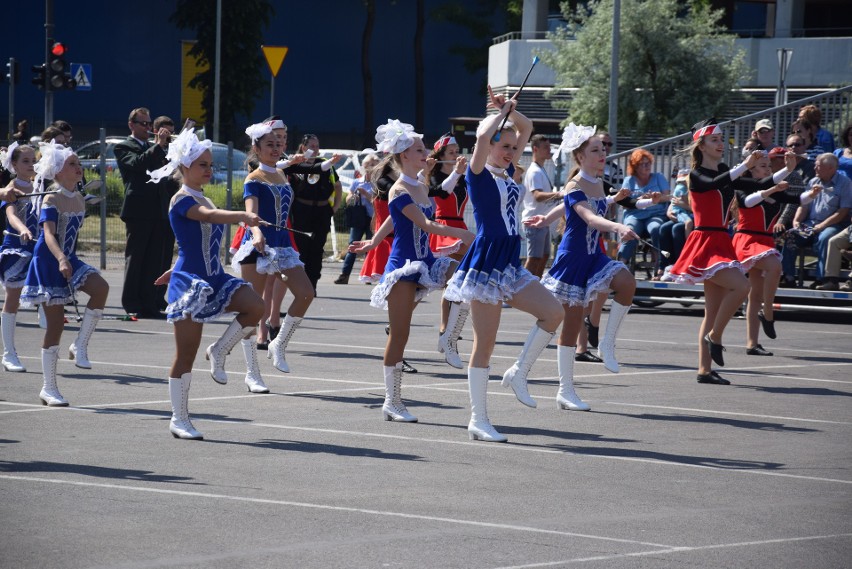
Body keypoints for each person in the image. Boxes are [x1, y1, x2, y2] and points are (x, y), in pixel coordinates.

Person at [443, 87, 563, 443]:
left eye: (514, 147)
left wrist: (508, 111)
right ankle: (479, 419)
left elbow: (526, 129)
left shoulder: (510, 174)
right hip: (485, 263)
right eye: (505, 146)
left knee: (554, 313)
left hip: (510, 261)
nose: (512, 150)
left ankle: (519, 372)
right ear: (491, 147)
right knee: (485, 344)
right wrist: (498, 117)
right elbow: (481, 136)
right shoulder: (478, 174)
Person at [350, 119, 474, 423]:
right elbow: (425, 224)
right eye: (420, 149)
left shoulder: (418, 182)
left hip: (427, 259)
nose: (426, 152)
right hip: (404, 266)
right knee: (400, 335)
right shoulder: (399, 188)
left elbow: (392, 220)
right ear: (404, 154)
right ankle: (392, 402)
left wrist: (373, 241)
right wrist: (465, 235)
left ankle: (447, 339)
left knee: (466, 279)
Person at [148, 128, 264, 439]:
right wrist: (242, 215)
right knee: (185, 354)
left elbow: (190, 243)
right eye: (202, 164)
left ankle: (219, 350)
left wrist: (172, 267)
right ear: (184, 167)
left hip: (215, 276)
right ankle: (179, 418)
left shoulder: (203, 196)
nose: (209, 170)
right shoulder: (182, 199)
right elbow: (207, 218)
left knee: (255, 306)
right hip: (191, 285)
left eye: (210, 165)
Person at [668, 118, 792, 385]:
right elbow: (716, 182)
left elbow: (754, 185)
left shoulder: (724, 168)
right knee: (742, 287)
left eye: (721, 139)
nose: (720, 144)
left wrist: (787, 171)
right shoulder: (696, 174)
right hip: (705, 241)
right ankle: (715, 337)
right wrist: (744, 166)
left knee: (711, 312)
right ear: (700, 145)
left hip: (722, 240)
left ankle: (704, 369)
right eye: (714, 140)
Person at [526, 124, 638, 411]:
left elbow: (575, 205)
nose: (603, 154)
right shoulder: (575, 184)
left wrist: (546, 219)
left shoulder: (597, 182)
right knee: (570, 326)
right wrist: (617, 225)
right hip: (574, 257)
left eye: (603, 149)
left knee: (626, 282)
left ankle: (605, 345)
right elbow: (586, 215)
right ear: (579, 155)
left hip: (593, 256)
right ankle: (565, 390)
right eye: (596, 150)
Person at [232, 121, 328, 376]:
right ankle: (252, 372)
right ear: (257, 148)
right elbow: (250, 212)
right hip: (258, 245)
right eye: (269, 145)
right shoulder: (254, 178)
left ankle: (279, 343)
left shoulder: (281, 173)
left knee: (306, 293)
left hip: (282, 244)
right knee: (254, 309)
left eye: (278, 144)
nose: (275, 149)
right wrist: (255, 232)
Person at [19, 141, 110, 406]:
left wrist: (67, 258)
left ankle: (80, 345)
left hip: (68, 258)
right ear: (58, 171)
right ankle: (49, 388)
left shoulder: (79, 198)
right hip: (48, 260)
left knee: (100, 288)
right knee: (56, 325)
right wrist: (60, 258)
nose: (78, 167)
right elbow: (47, 234)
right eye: (72, 164)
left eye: (79, 164)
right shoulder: (51, 197)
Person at [733, 151, 815, 356]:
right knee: (775, 267)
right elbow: (749, 202)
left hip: (765, 240)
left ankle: (752, 343)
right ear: (750, 172)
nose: (768, 170)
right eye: (763, 167)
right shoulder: (743, 188)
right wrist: (770, 191)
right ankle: (768, 312)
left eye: (769, 167)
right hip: (747, 240)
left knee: (755, 294)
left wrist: (812, 194)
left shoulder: (775, 191)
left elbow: (798, 198)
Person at [115, 107, 174, 318]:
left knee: (154, 260)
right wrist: (158, 146)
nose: (149, 128)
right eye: (144, 124)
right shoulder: (124, 147)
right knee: (137, 258)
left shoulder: (154, 147)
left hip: (158, 209)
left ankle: (150, 303)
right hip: (138, 210)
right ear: (131, 125)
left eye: (150, 124)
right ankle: (132, 302)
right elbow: (138, 164)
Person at [428, 133, 472, 369]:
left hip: (460, 227)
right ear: (441, 155)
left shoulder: (462, 177)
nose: (457, 155)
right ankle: (446, 333)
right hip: (441, 228)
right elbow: (443, 192)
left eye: (458, 151)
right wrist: (456, 172)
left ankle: (447, 331)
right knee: (429, 282)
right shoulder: (433, 177)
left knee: (458, 280)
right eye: (452, 152)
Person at [783, 153, 852, 287]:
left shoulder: (845, 184)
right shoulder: (813, 182)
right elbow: (804, 205)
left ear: (831, 168)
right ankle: (788, 276)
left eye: (818, 166)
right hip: (810, 224)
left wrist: (822, 226)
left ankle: (822, 279)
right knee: (791, 235)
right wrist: (796, 221)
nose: (815, 168)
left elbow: (843, 211)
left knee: (825, 238)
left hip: (834, 225)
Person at [287, 134, 342, 292]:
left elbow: (337, 186)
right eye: (311, 146)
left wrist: (334, 208)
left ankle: (312, 284)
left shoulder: (325, 164)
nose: (315, 149)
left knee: (317, 249)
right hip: (302, 210)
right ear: (303, 147)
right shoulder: (296, 164)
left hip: (322, 211)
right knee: (302, 248)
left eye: (317, 146)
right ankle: (302, 286)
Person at [0, 143, 37, 372]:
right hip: (16, 246)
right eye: (25, 161)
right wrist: (22, 228)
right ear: (14, 165)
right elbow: (11, 214)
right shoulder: (11, 188)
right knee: (12, 297)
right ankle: (8, 352)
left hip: (37, 247)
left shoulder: (40, 185)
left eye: (33, 160)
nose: (31, 164)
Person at [615, 149, 670, 269]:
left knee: (656, 228)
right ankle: (620, 265)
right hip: (635, 215)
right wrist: (640, 199)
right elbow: (624, 204)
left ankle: (659, 265)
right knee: (630, 230)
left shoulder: (658, 177)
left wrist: (654, 198)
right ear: (635, 166)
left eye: (648, 163)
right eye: (643, 164)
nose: (647, 166)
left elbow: (667, 197)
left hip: (655, 214)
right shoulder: (629, 180)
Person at [335, 153, 379, 285]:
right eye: (369, 164)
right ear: (363, 166)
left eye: (374, 164)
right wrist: (353, 195)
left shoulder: (379, 183)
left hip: (373, 218)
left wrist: (366, 194)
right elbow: (348, 199)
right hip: (358, 217)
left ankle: (368, 275)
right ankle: (344, 275)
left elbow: (378, 203)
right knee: (352, 245)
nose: (371, 167)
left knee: (370, 246)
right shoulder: (357, 182)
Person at [521, 134, 561, 278]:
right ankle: (523, 291)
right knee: (535, 258)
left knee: (543, 256)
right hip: (534, 221)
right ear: (535, 149)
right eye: (546, 147)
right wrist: (558, 194)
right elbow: (537, 196)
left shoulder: (540, 169)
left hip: (541, 221)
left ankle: (534, 287)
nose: (549, 150)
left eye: (549, 147)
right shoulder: (535, 171)